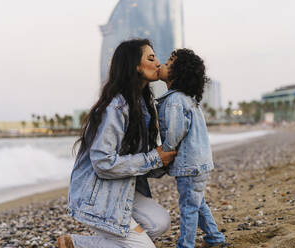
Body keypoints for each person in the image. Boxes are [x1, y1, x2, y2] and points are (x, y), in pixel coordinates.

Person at [58, 39, 177, 248]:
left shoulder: (143, 106)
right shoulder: (116, 107)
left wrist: (162, 162)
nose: (158, 63)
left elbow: (139, 161)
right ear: (135, 65)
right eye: (151, 58)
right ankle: (81, 245)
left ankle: (76, 243)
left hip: (121, 190)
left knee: (159, 223)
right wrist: (154, 158)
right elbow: (103, 163)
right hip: (96, 197)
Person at [156, 49, 227, 248]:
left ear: (176, 74)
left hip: (189, 165)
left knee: (189, 206)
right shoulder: (187, 99)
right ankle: (214, 238)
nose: (162, 64)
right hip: (200, 163)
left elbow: (175, 132)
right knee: (197, 202)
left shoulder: (175, 100)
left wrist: (165, 152)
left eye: (168, 64)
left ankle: (185, 245)